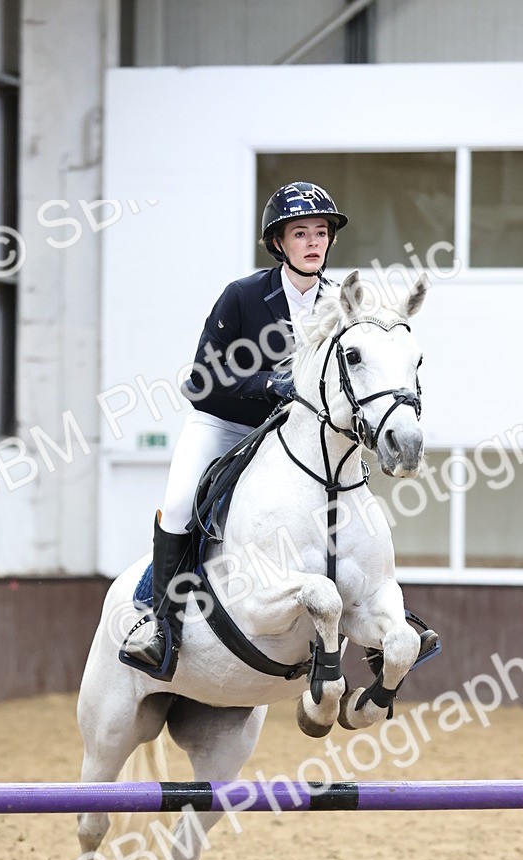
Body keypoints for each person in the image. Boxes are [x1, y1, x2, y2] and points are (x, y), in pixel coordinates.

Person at [119, 181, 348, 680]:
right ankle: (160, 627)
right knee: (180, 503)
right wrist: (270, 383)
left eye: (321, 232)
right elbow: (201, 380)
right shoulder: (243, 296)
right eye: (300, 233)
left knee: (348, 495)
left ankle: (376, 619)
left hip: (290, 438)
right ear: (279, 244)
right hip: (223, 425)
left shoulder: (338, 303)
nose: (313, 242)